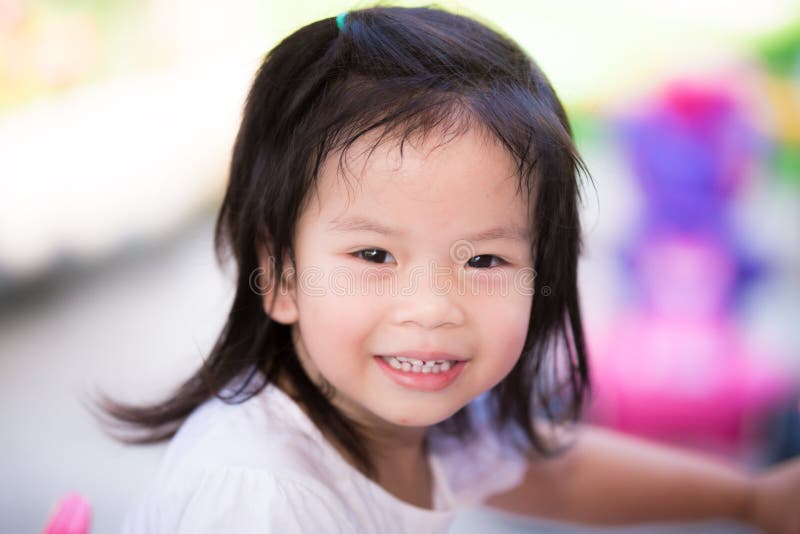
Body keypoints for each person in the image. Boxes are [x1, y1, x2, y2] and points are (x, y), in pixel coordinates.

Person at [105, 6, 800, 533]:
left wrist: (747, 498)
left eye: (485, 258)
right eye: (375, 255)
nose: (433, 307)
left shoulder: (402, 408)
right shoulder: (258, 498)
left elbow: (556, 473)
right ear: (280, 274)